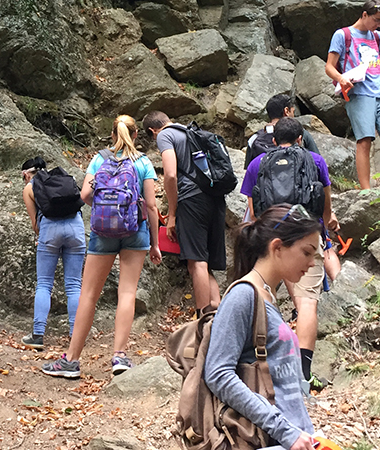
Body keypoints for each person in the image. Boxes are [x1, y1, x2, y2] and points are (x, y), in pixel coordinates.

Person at [203, 203, 335, 450]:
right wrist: (286, 430)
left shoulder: (267, 296)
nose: (312, 262)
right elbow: (218, 373)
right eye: (307, 251)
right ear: (277, 247)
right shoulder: (243, 295)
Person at [42, 115, 161, 379]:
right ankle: (119, 356)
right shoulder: (143, 163)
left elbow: (84, 196)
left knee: (88, 295)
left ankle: (71, 360)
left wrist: (103, 205)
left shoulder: (99, 159)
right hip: (136, 231)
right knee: (127, 292)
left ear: (112, 135)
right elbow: (151, 206)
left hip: (102, 233)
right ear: (136, 135)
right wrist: (155, 243)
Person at [240, 117, 338, 390]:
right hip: (307, 237)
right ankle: (303, 375)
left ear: (272, 140)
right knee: (306, 302)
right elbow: (325, 200)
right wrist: (327, 224)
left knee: (264, 298)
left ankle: (263, 367)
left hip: (271, 239)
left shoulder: (257, 163)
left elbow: (252, 205)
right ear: (300, 139)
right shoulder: (315, 160)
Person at [142, 110, 227, 317]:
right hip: (215, 199)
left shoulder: (165, 135)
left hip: (191, 201)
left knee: (196, 261)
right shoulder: (192, 133)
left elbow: (170, 174)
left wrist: (172, 214)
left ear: (153, 130)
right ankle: (218, 311)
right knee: (205, 264)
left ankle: (204, 317)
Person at [326, 0, 380, 189]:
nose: (378, 24)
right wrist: (341, 78)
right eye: (376, 20)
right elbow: (329, 67)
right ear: (364, 15)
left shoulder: (377, 37)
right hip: (359, 93)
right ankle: (366, 191)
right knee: (364, 141)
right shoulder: (343, 35)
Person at [20, 156, 85, 349]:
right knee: (74, 285)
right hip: (76, 228)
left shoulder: (29, 188)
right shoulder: (61, 180)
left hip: (50, 230)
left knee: (44, 284)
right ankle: (75, 336)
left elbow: (35, 224)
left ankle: (38, 335)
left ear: (26, 174)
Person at [245, 94, 320, 168]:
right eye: (293, 112)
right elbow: (318, 164)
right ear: (286, 111)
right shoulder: (301, 134)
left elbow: (249, 171)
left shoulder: (254, 138)